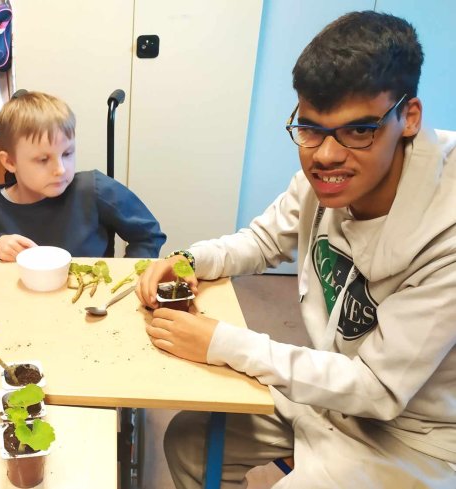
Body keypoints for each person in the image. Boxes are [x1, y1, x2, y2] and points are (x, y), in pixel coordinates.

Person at [137, 11, 456, 488]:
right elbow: (264, 240)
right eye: (309, 128)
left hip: (413, 435)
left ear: (408, 117)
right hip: (330, 396)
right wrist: (188, 261)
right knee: (191, 441)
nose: (325, 155)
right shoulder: (329, 174)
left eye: (359, 130)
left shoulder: (445, 228)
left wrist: (222, 343)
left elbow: (378, 388)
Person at [0, 91, 166, 260]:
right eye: (43, 159)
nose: (61, 169)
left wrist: (127, 280)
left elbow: (148, 235)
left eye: (67, 154)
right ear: (10, 162)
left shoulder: (95, 190)